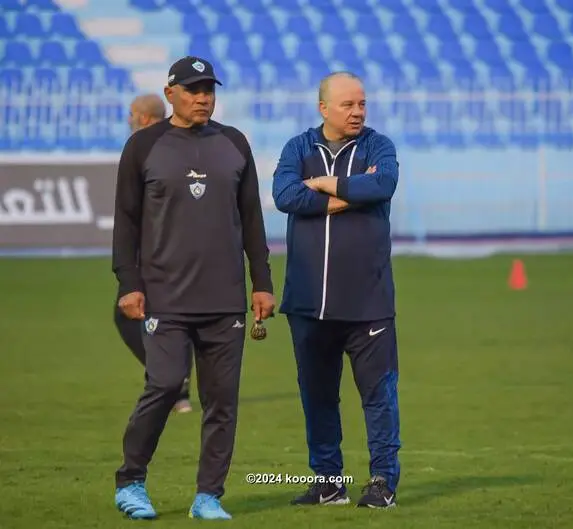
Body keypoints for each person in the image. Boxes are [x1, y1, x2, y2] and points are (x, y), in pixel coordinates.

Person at [112, 56, 275, 521]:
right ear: (170, 94)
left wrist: (261, 284)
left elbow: (251, 221)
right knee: (164, 383)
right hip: (164, 296)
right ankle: (131, 481)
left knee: (222, 400)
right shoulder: (144, 146)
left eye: (208, 89)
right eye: (192, 89)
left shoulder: (233, 142)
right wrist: (129, 283)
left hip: (225, 300)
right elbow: (125, 221)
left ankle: (208, 495)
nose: (203, 96)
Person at [272, 71, 401, 509]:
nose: (358, 111)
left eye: (362, 103)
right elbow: (285, 194)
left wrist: (326, 184)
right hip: (308, 304)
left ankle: (382, 483)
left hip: (368, 303)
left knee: (379, 399)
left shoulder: (378, 146)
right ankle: (328, 483)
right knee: (318, 399)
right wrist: (349, 194)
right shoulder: (297, 148)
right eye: (348, 104)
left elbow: (383, 183)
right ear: (323, 107)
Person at [114, 93, 193, 414]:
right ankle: (176, 383)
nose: (130, 119)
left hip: (156, 250)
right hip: (184, 248)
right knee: (175, 316)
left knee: (130, 314)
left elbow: (133, 209)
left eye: (133, 114)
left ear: (144, 118)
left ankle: (170, 379)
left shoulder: (144, 146)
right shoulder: (182, 141)